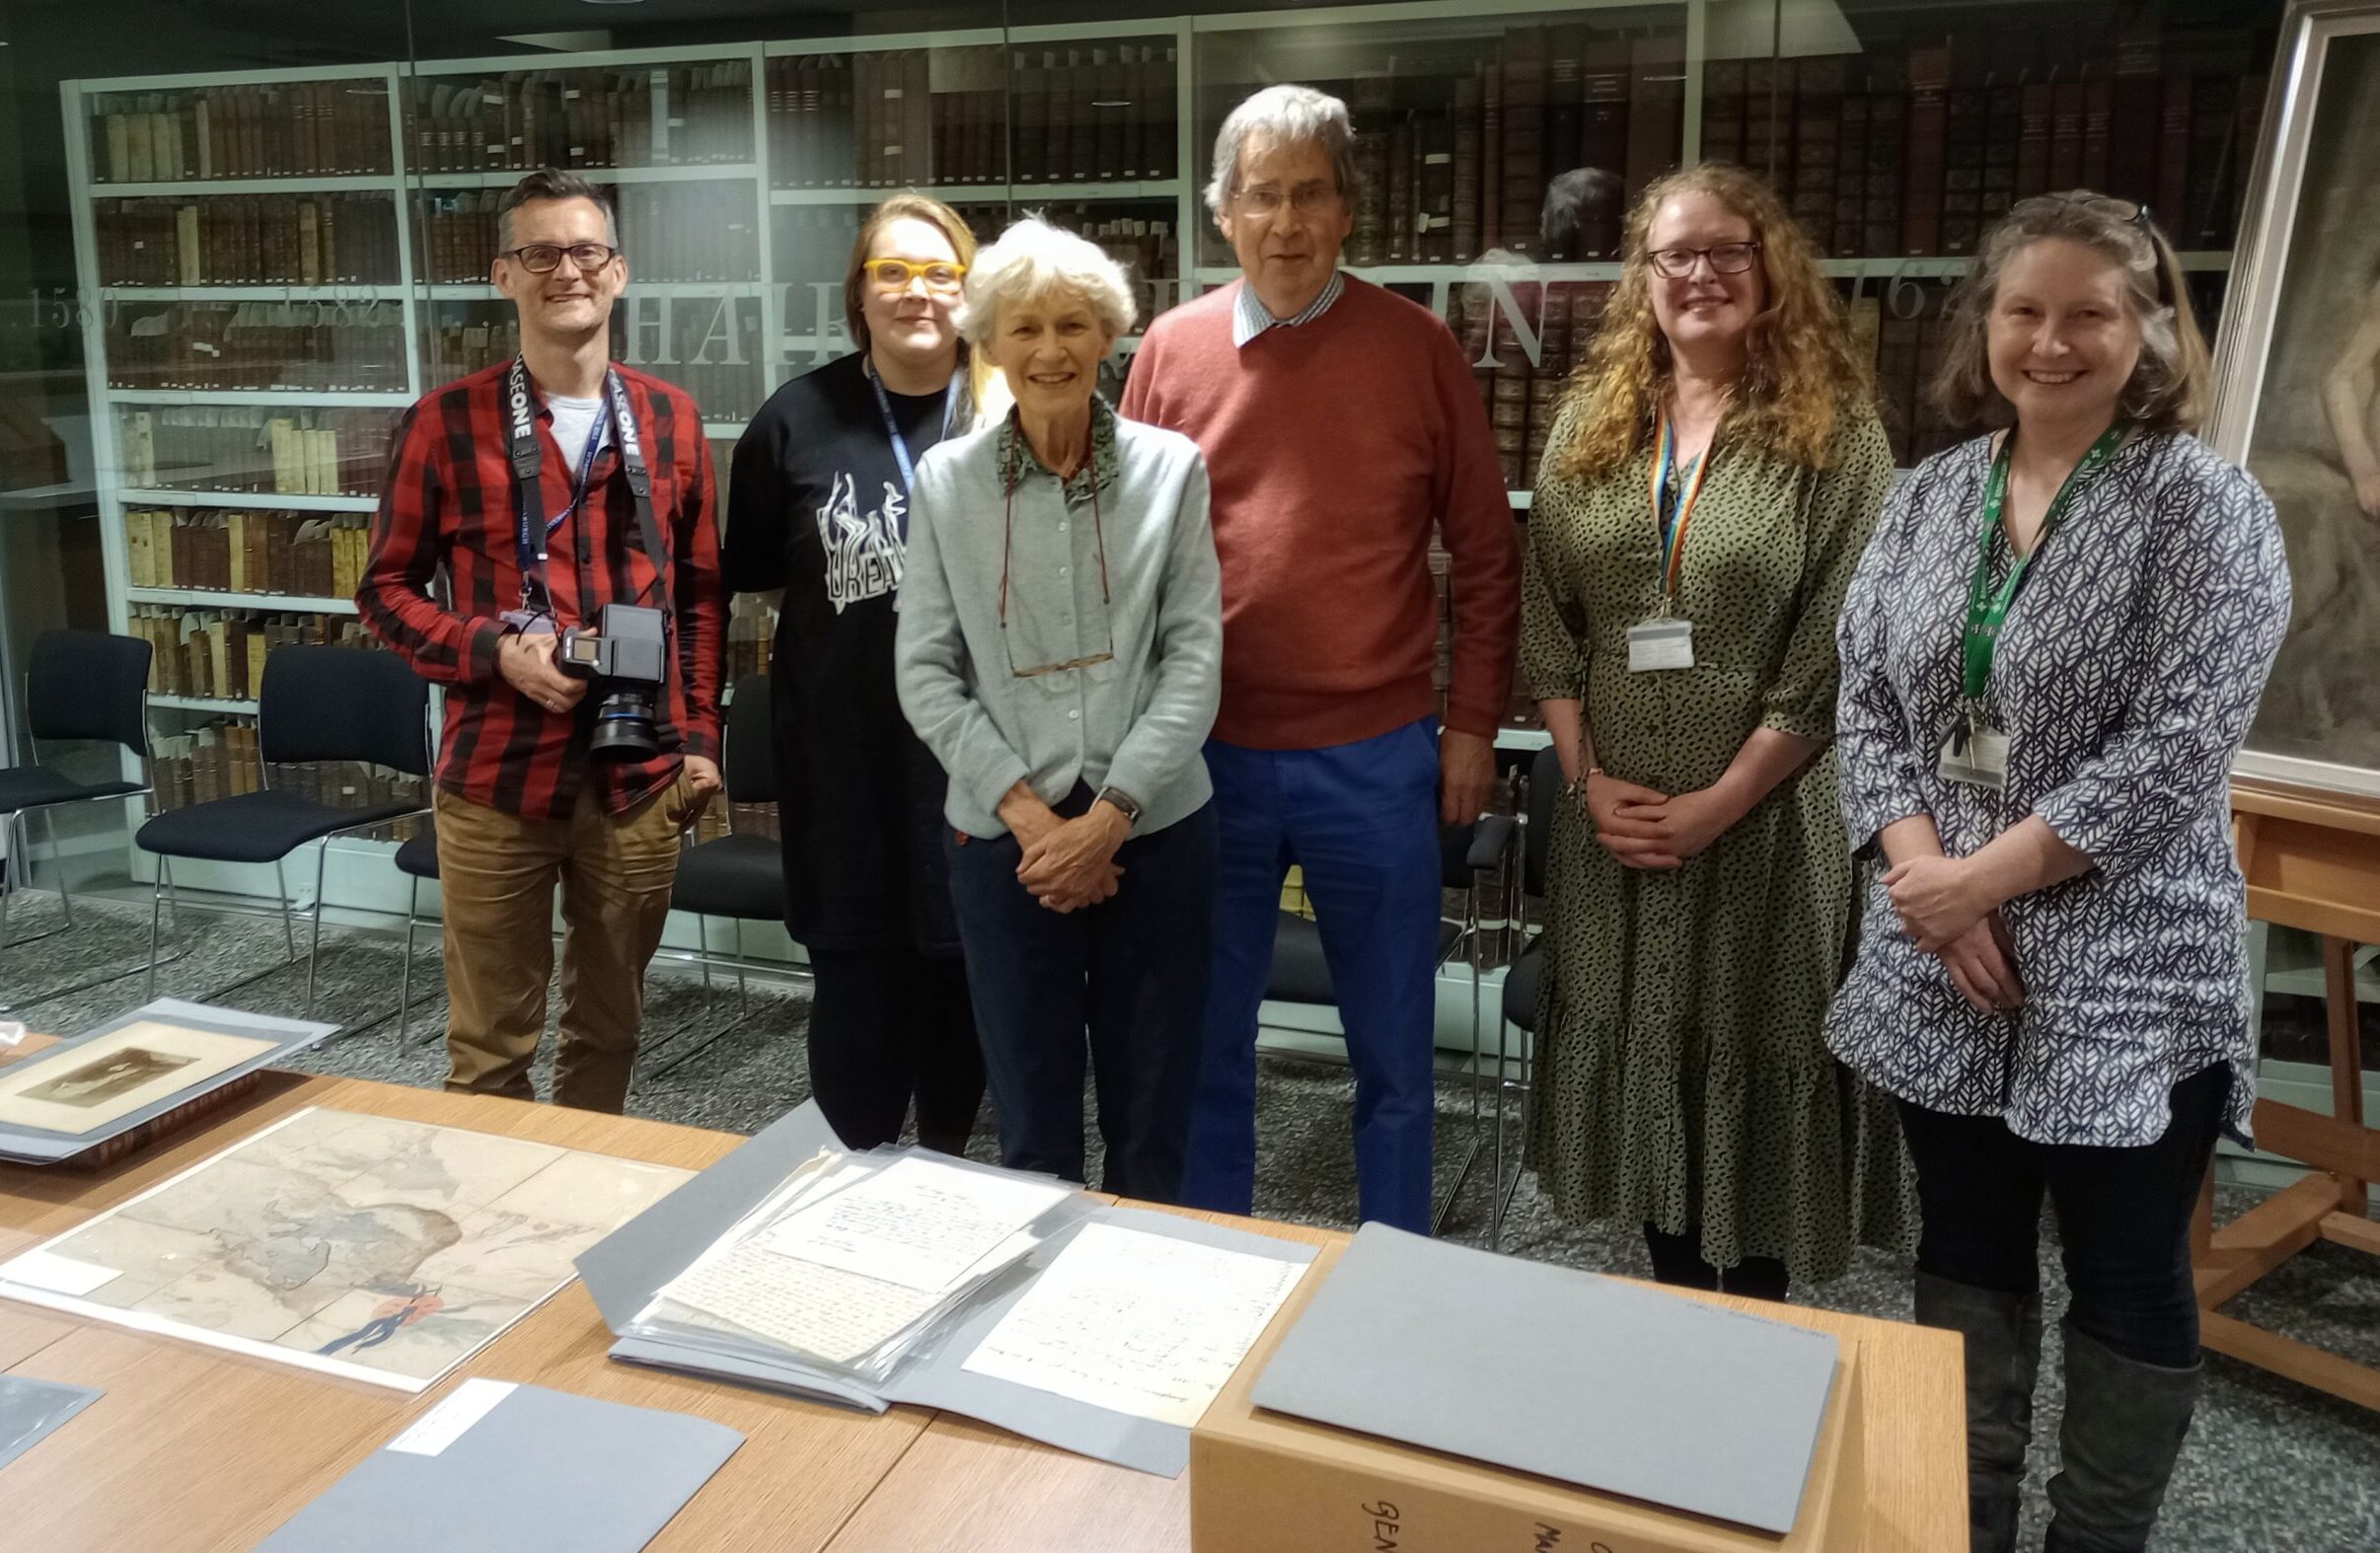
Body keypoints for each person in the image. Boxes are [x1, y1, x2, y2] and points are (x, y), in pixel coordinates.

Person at [1827, 192, 2289, 1553]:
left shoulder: (2208, 504)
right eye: (2025, 310)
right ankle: (1955, 1526)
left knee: (2130, 1275)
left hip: (2132, 968)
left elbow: (2181, 746)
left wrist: (1981, 885)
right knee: (1963, 1253)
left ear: (2147, 329)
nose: (2052, 341)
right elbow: (1864, 702)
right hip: (1940, 960)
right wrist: (1926, 879)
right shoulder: (1928, 496)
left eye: (2090, 311)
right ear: (1988, 325)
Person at [1120, 84, 1520, 1233]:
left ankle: (1394, 1269)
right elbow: (1133, 558)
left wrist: (1472, 726)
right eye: (1260, 197)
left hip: (1378, 756)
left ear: (1348, 210)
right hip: (1207, 757)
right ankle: (1211, 1262)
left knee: (1395, 1051)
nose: (1284, 222)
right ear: (1223, 215)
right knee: (1208, 1039)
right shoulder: (1169, 350)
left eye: (1308, 195)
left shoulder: (1417, 348)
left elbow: (1488, 556)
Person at [1520, 162, 1909, 1300]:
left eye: (1728, 251)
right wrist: (1588, 779)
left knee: (1753, 1079)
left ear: (1770, 269)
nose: (1702, 275)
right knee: (1654, 1101)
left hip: (1768, 833)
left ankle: (1757, 1355)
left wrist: (1717, 804)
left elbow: (1839, 650)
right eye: (1676, 255)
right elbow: (1551, 624)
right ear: (1644, 278)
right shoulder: (1592, 429)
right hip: (1619, 834)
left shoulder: (1838, 436)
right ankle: (1679, 1341)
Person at [359, 167, 723, 1114]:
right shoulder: (443, 423)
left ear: (619, 271)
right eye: (540, 253)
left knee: (612, 1029)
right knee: (489, 1045)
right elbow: (385, 591)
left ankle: (585, 1210)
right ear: (503, 275)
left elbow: (701, 597)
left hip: (638, 772)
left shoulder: (671, 419)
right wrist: (493, 651)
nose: (567, 269)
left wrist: (700, 744)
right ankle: (495, 1243)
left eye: (585, 250)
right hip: (494, 779)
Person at [895, 217, 1222, 1199]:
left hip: (1157, 835)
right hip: (1009, 849)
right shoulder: (947, 485)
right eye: (1024, 327)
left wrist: (1109, 817)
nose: (1050, 350)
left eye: (1073, 324)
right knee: (1032, 1127)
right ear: (989, 342)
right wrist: (1040, 822)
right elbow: (925, 673)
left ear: (1108, 335)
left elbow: (1195, 659)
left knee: (1154, 1116)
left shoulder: (1173, 471)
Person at [724, 194, 989, 1154]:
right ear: (859, 295)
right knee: (856, 992)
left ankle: (949, 1173)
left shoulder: (1014, 411)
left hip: (980, 769)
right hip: (843, 770)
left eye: (939, 272)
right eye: (893, 271)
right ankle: (851, 1187)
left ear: (969, 291)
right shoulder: (796, 420)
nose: (917, 291)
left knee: (963, 989)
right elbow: (749, 570)